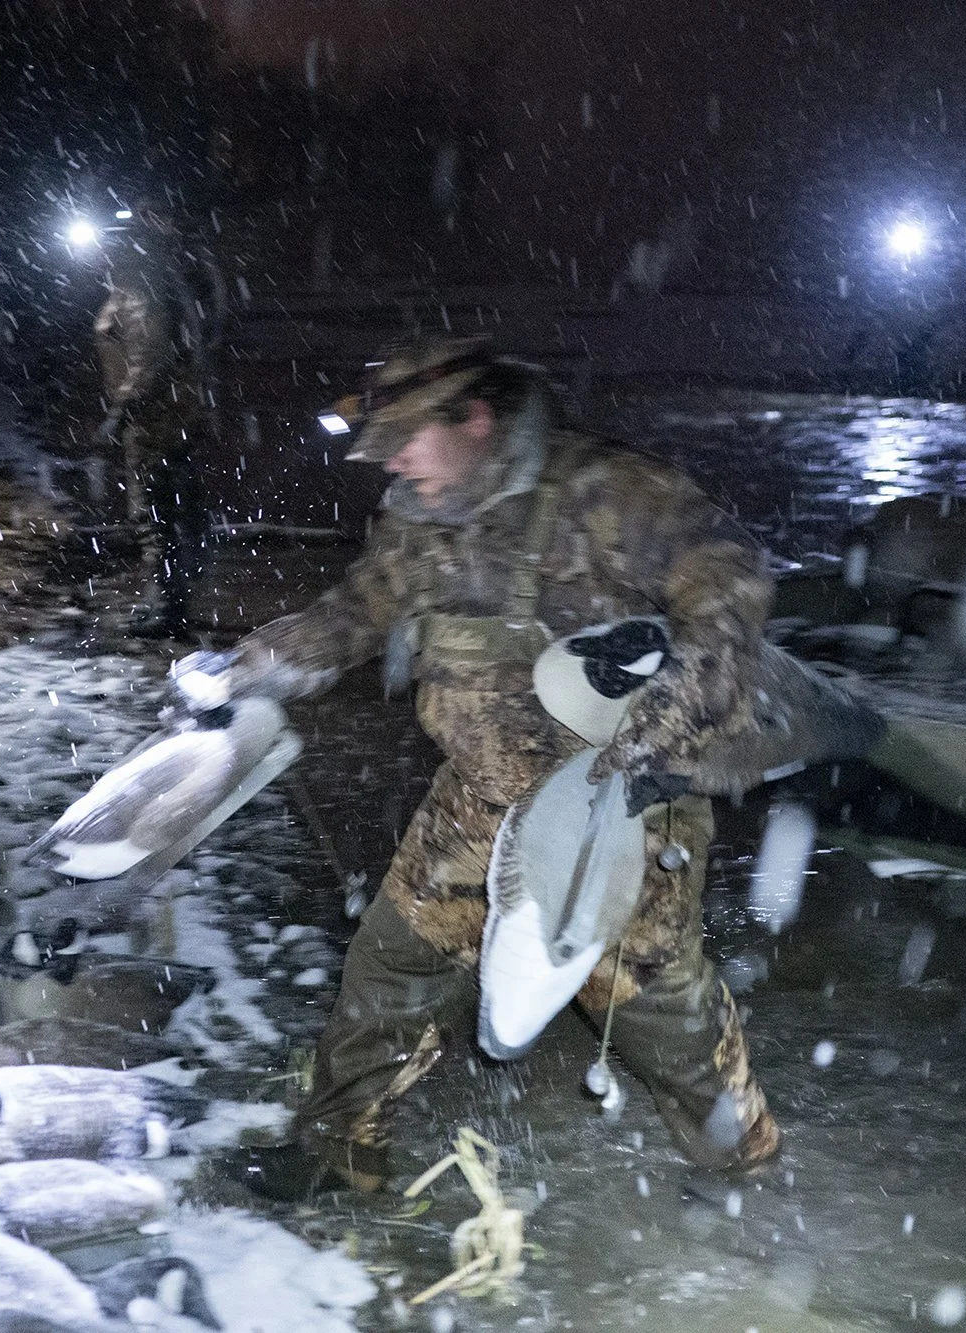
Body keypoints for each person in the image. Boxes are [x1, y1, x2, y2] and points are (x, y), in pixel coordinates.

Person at [191, 335, 782, 1198]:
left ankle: (741, 1159)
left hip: (612, 800)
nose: (392, 461)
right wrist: (247, 667)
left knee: (649, 1004)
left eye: (406, 440)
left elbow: (729, 591)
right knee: (393, 963)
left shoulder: (610, 492)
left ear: (474, 417)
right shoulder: (419, 517)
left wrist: (666, 728)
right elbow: (355, 612)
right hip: (479, 790)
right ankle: (340, 1150)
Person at [91, 207, 220, 638]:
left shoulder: (137, 280)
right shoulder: (159, 274)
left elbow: (150, 352)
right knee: (176, 506)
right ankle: (174, 597)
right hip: (175, 409)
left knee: (153, 511)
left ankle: (166, 607)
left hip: (154, 416)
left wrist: (120, 410)